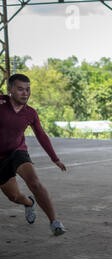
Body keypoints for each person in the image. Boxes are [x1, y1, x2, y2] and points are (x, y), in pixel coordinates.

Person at [0, 74, 67, 236]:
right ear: (10, 90)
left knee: (34, 182)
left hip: (17, 151)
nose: (25, 93)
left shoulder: (30, 113)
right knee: (14, 196)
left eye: (28, 89)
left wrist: (55, 159)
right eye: (20, 89)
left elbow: (41, 135)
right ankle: (29, 203)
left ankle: (54, 222)